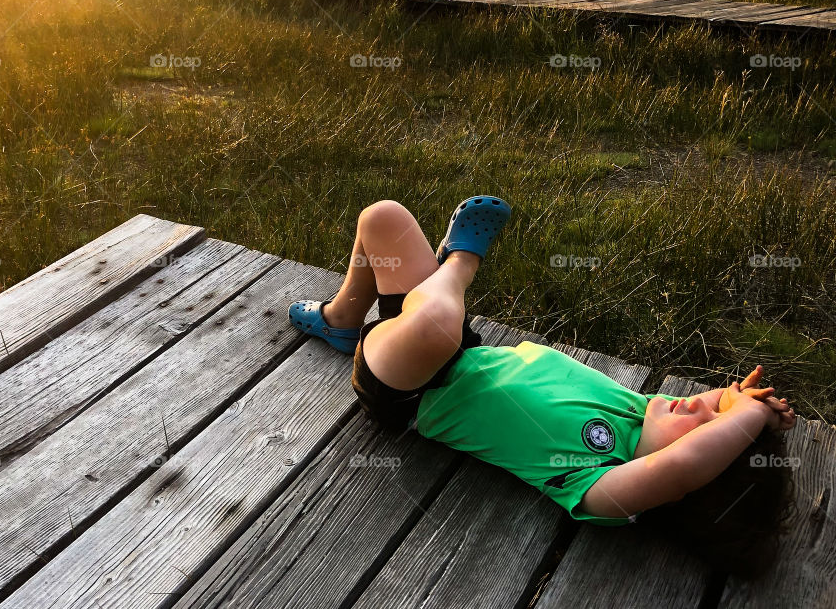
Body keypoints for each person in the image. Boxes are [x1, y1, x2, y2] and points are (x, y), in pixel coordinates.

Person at [289, 197, 796, 573]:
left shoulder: (603, 487)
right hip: (451, 341)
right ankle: (340, 319)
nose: (697, 407)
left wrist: (747, 418)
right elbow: (698, 439)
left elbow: (683, 467)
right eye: (715, 410)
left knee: (436, 318)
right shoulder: (645, 409)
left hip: (408, 384)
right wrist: (741, 404)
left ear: (679, 489)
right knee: (383, 219)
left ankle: (460, 262)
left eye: (707, 427)